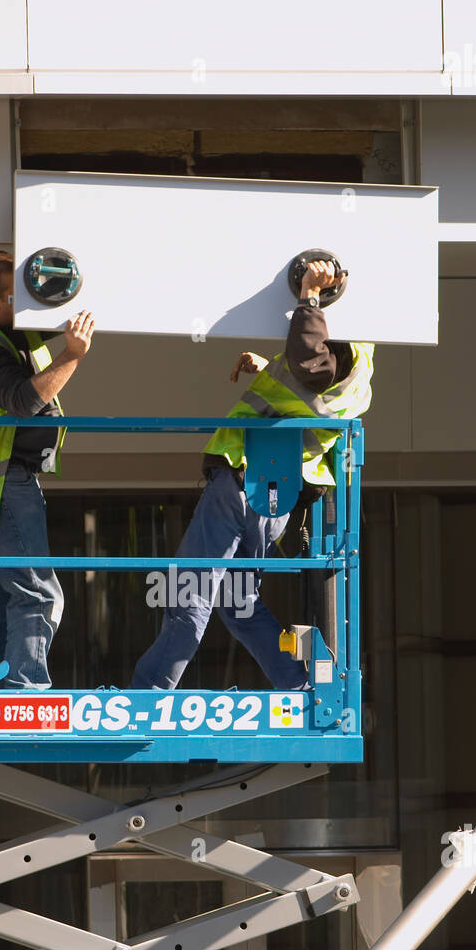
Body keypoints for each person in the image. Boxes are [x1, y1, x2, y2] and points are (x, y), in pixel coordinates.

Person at [131, 259, 374, 691]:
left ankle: (152, 689)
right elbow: (306, 396)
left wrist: (309, 297)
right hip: (273, 498)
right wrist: (269, 369)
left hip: (243, 483)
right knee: (237, 602)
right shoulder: (359, 375)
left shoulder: (334, 352)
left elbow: (310, 366)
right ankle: (293, 681)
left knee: (192, 587)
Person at [0, 249, 94, 689]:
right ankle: (25, 693)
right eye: (19, 295)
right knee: (39, 593)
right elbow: (25, 401)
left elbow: (53, 312)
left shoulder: (7, 325)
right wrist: (73, 355)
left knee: (1, 596)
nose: (29, 304)